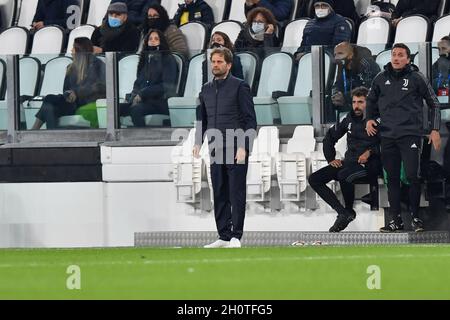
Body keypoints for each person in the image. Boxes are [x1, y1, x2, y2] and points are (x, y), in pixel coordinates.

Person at [366, 43, 442, 232]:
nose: (396, 58)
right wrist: (369, 119)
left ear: (408, 59)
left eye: (401, 55)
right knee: (391, 179)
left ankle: (416, 218)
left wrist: (434, 129)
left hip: (411, 135)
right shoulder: (380, 78)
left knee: (412, 176)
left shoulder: (417, 78)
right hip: (388, 135)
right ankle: (395, 220)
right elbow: (370, 100)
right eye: (394, 55)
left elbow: (434, 103)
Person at [193, 48, 257, 248]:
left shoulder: (240, 87)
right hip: (215, 148)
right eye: (213, 61)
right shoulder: (205, 89)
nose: (215, 65)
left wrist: (244, 147)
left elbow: (250, 120)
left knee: (235, 192)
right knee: (219, 192)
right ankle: (223, 236)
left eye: (219, 62)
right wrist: (197, 141)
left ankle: (236, 236)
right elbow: (201, 119)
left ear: (229, 65)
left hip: (236, 147)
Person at [309, 87, 381, 232]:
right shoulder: (348, 118)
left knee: (344, 175)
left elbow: (388, 144)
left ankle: (348, 210)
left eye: (361, 102)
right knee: (314, 179)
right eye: (354, 102)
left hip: (370, 165)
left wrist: (370, 152)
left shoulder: (378, 119)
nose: (356, 106)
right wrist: (331, 158)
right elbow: (329, 138)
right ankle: (343, 212)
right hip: (350, 162)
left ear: (369, 103)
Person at [32, 37, 106, 130]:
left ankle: (36, 130)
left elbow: (99, 87)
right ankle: (51, 134)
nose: (71, 50)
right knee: (49, 104)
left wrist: (77, 93)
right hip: (72, 103)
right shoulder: (71, 67)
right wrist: (68, 94)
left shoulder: (97, 65)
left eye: (73, 47)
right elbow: (66, 89)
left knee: (49, 100)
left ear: (80, 49)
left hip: (87, 102)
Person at [120, 29, 178, 127]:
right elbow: (138, 83)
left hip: (160, 102)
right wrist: (133, 97)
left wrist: (143, 94)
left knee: (136, 110)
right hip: (143, 101)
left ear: (161, 41)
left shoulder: (168, 59)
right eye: (150, 39)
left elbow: (166, 86)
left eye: (156, 39)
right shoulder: (145, 60)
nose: (152, 41)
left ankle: (141, 139)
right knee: (115, 109)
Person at [331, 42, 380, 115]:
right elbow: (338, 83)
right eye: (335, 54)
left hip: (368, 107)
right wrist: (335, 93)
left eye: (340, 53)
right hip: (349, 103)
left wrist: (345, 97)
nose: (336, 57)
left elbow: (371, 88)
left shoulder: (367, 63)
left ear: (350, 55)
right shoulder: (342, 65)